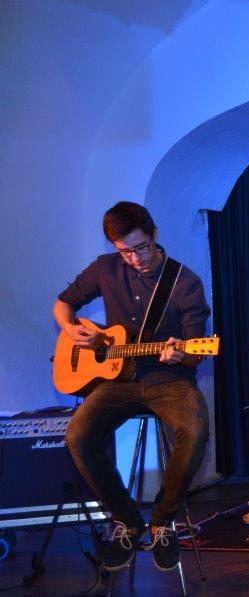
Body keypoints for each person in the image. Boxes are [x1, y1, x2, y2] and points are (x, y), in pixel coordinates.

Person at [55, 201, 211, 573]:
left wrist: (180, 354)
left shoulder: (184, 282)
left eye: (141, 248)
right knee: (78, 436)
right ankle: (126, 520)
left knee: (195, 430)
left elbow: (196, 351)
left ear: (154, 235)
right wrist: (70, 328)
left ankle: (162, 521)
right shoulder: (105, 269)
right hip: (116, 382)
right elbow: (63, 304)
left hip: (168, 380)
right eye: (125, 252)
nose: (135, 258)